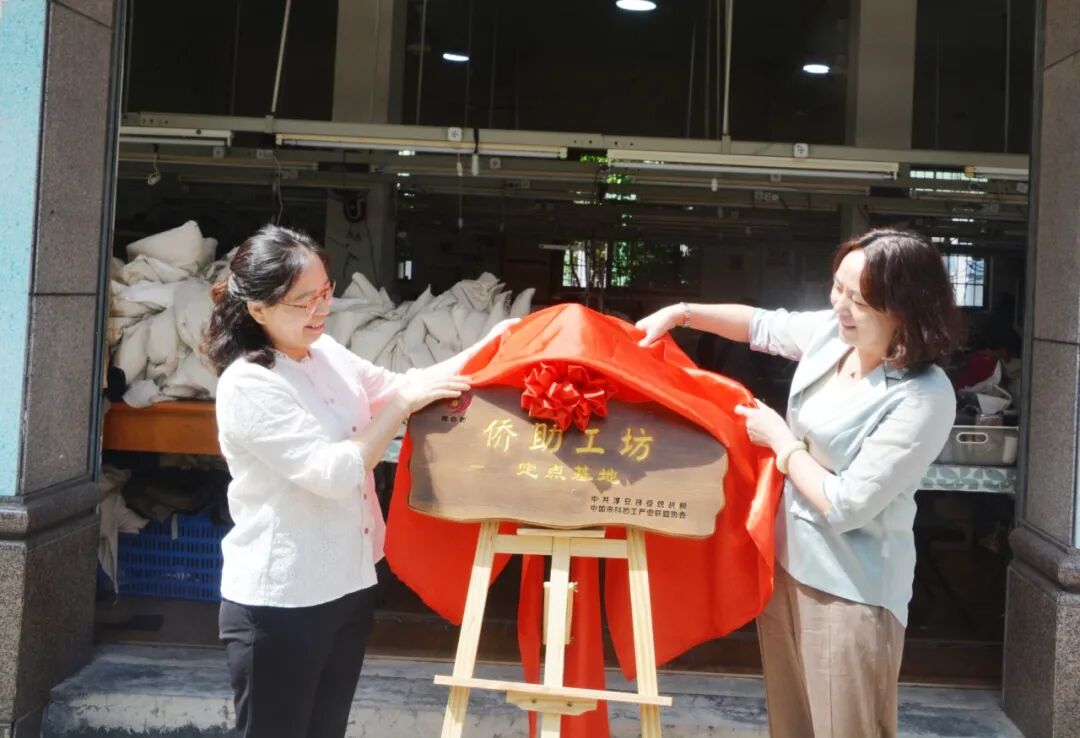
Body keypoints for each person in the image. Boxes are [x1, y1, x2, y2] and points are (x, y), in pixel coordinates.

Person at [636, 229, 962, 738]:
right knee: (791, 725)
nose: (839, 306)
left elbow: (848, 504)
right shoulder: (835, 337)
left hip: (850, 587)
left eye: (858, 299)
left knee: (845, 728)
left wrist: (782, 444)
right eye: (838, 288)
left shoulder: (924, 395)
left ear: (903, 308)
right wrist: (680, 314)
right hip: (786, 565)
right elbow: (761, 325)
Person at [202, 224, 514, 738]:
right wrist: (400, 406)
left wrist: (496, 344)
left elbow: (405, 385)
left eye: (325, 293)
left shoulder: (324, 353)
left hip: (348, 584)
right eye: (304, 301)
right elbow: (333, 472)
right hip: (282, 599)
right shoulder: (249, 383)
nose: (321, 310)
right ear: (258, 309)